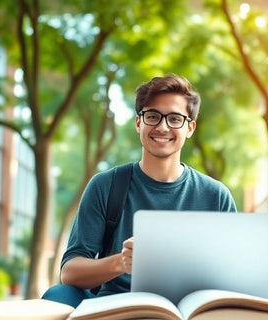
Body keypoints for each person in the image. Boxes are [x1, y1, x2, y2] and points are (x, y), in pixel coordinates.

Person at [42, 74, 237, 307]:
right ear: (138, 123)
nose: (163, 127)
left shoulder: (216, 196)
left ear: (190, 128)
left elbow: (232, 272)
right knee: (57, 296)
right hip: (115, 308)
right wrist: (121, 263)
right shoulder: (106, 185)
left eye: (175, 119)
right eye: (153, 116)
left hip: (189, 310)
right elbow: (69, 272)